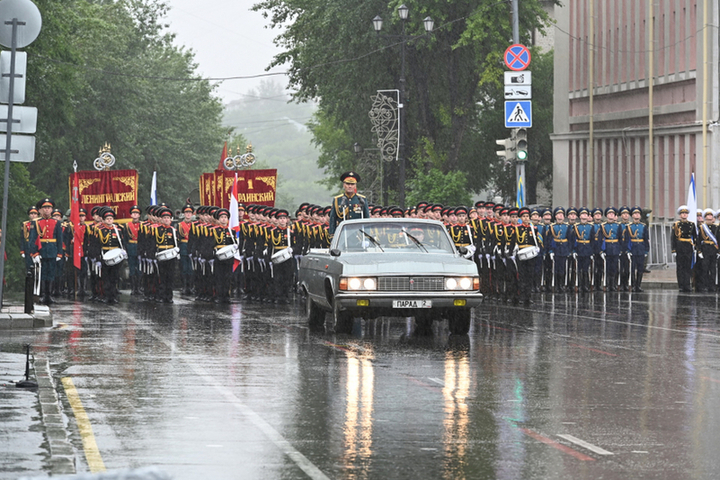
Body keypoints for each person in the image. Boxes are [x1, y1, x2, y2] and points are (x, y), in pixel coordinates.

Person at [28, 199, 64, 305]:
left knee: (51, 274)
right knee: (43, 274)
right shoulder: (36, 222)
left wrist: (59, 253)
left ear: (52, 209)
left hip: (52, 250)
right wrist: (34, 253)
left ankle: (50, 295)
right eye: (45, 208)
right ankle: (43, 294)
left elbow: (59, 238)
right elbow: (32, 239)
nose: (47, 210)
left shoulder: (57, 222)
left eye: (49, 208)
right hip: (41, 250)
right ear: (41, 210)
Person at [328, 171, 370, 237]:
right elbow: (333, 219)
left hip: (358, 235)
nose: (350, 186)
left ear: (355, 186)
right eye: (348, 184)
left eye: (352, 184)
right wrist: (332, 235)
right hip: (342, 234)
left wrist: (367, 236)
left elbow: (367, 218)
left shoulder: (361, 199)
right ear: (344, 185)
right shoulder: (337, 200)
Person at [97, 208, 125, 304]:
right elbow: (95, 244)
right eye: (107, 218)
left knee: (114, 277)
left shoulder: (118, 230)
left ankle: (113, 296)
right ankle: (106, 296)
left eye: (111, 218)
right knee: (106, 278)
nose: (109, 220)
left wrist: (123, 251)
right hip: (104, 255)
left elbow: (122, 242)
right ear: (104, 220)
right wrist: (97, 258)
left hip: (115, 256)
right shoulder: (99, 230)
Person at [623, 206, 650, 292]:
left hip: (641, 248)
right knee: (632, 268)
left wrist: (646, 250)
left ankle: (638, 285)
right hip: (633, 249)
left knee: (640, 268)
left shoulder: (643, 226)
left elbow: (646, 238)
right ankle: (633, 285)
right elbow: (627, 239)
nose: (637, 215)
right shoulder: (629, 226)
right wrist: (627, 250)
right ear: (632, 216)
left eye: (638, 213)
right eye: (635, 214)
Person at [155, 208, 178, 303]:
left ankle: (169, 296)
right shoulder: (156, 230)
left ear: (170, 219)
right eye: (164, 217)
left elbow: (177, 242)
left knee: (170, 276)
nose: (166, 219)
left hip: (171, 255)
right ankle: (162, 296)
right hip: (161, 254)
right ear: (161, 219)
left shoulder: (173, 230)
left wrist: (177, 250)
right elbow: (152, 243)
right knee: (162, 276)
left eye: (168, 218)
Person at [696, 208, 717, 292]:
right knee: (704, 268)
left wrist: (718, 251)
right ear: (705, 217)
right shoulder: (702, 227)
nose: (709, 216)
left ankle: (712, 286)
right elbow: (698, 240)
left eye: (711, 215)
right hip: (705, 249)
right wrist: (699, 251)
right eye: (708, 215)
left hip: (713, 249)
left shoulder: (716, 227)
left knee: (713, 269)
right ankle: (704, 285)